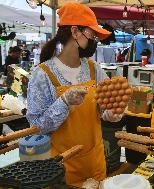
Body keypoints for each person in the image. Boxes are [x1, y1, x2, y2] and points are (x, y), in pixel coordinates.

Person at [26, 3, 123, 187]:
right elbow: (36, 127)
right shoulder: (43, 74)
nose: (94, 40)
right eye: (92, 34)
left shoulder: (94, 69)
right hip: (61, 169)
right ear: (75, 32)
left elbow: (103, 107)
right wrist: (63, 102)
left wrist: (110, 113)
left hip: (94, 163)